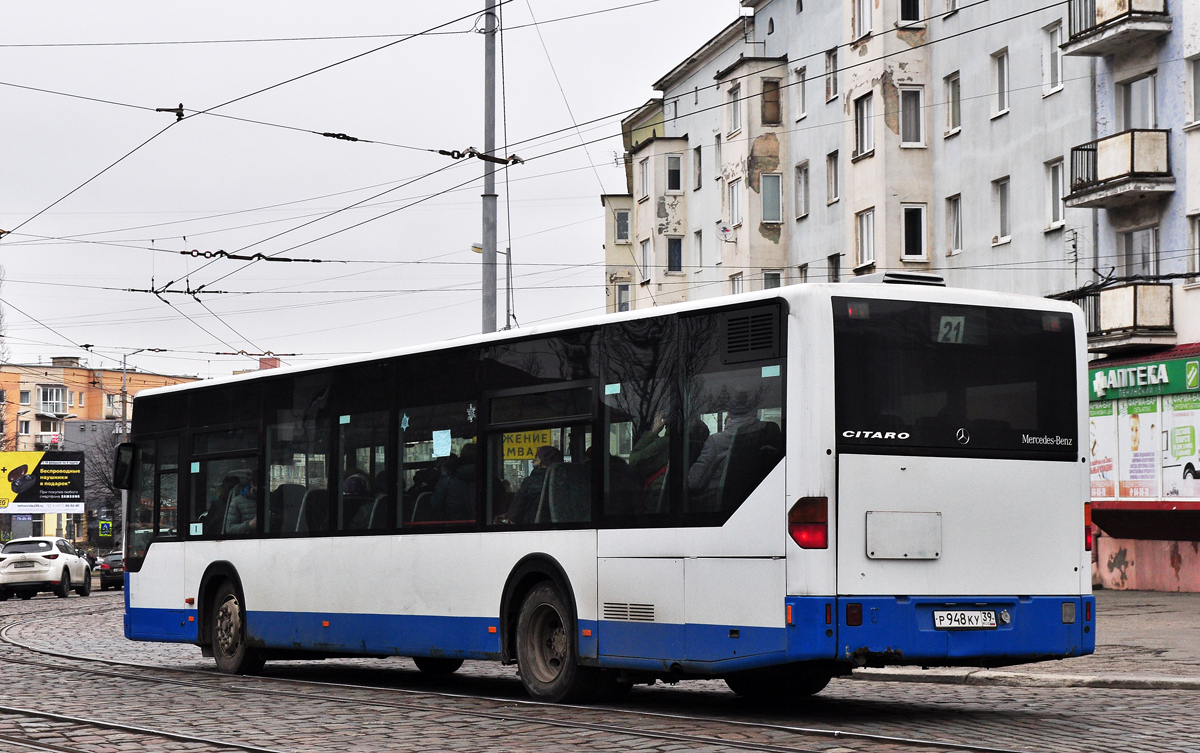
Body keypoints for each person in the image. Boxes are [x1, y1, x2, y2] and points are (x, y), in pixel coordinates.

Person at [687, 389, 776, 511]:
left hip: (716, 506)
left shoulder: (716, 441)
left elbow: (694, 483)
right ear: (755, 411)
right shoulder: (766, 435)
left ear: (729, 415)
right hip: (762, 502)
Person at [495, 445, 562, 524]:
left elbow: (514, 513)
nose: (532, 462)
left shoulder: (530, 482)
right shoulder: (564, 482)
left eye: (536, 459)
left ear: (542, 462)